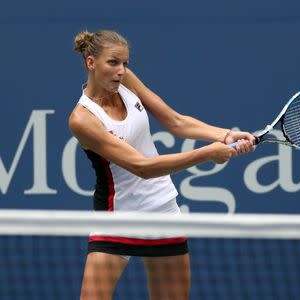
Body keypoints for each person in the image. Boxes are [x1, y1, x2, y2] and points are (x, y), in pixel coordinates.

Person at [69, 30, 255, 300]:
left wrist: (225, 135)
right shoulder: (82, 119)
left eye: (125, 63)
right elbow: (142, 167)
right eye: (113, 62)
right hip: (116, 219)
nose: (121, 70)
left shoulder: (126, 82)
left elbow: (175, 122)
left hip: (161, 211)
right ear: (91, 62)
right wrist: (208, 154)